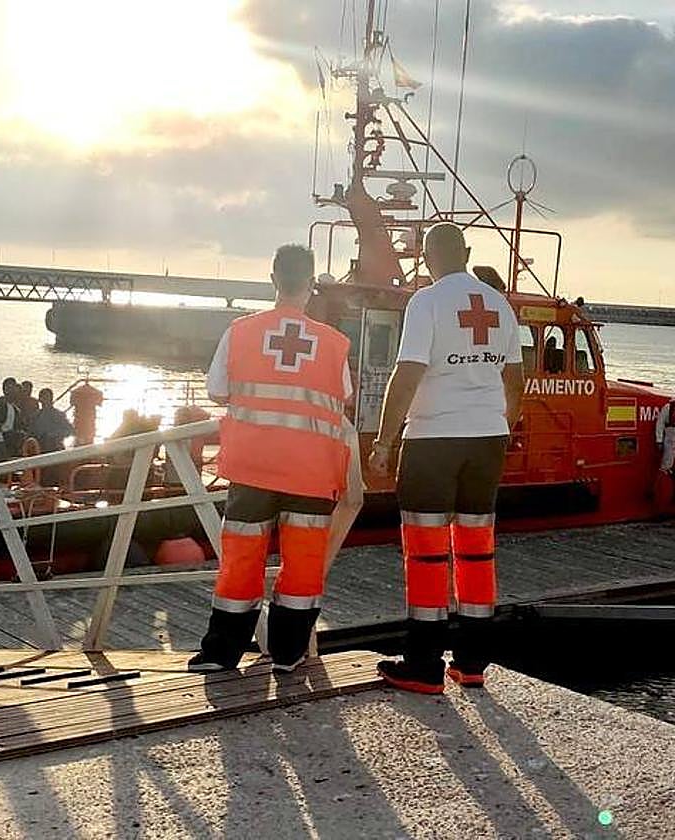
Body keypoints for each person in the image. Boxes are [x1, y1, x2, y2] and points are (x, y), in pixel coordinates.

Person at [368, 221, 524, 694]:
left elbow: (407, 373)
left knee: (426, 552)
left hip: (434, 438)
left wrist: (382, 442)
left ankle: (423, 664)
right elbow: (514, 381)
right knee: (477, 551)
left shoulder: (427, 302)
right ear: (467, 251)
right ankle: (473, 662)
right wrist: (502, 428)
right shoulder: (498, 304)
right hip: (487, 438)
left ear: (427, 257)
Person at [189, 244, 352, 674]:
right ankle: (287, 653)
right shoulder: (334, 344)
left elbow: (217, 391)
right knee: (302, 566)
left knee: (242, 561)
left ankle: (222, 653)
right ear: (312, 285)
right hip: (312, 474)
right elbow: (342, 397)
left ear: (272, 279)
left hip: (251, 467)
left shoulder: (240, 332)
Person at [30, 388, 74, 453]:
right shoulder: (35, 415)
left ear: (51, 399)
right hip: (39, 446)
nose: (44, 399)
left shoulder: (58, 415)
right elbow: (31, 431)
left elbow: (69, 430)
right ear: (39, 399)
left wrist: (53, 435)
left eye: (46, 397)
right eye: (42, 397)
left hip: (54, 446)